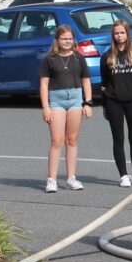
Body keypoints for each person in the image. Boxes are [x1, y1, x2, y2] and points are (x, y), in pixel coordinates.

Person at [39, 24, 93, 192]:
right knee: (57, 140)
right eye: (64, 39)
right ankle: (51, 180)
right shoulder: (50, 59)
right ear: (57, 40)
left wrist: (88, 102)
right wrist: (46, 107)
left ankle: (71, 177)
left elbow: (86, 80)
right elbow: (43, 83)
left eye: (70, 38)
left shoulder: (78, 57)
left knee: (72, 140)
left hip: (76, 100)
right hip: (56, 101)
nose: (67, 41)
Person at [99, 19, 132, 188]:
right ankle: (123, 175)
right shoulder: (107, 57)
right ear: (113, 35)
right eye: (116, 33)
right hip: (113, 102)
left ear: (127, 34)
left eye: (122, 33)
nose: (119, 36)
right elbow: (104, 82)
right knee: (118, 139)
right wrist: (105, 105)